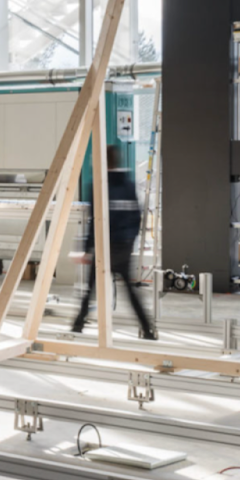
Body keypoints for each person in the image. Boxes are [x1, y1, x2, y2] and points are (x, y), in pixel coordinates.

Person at [73, 145, 156, 339]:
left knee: (91, 287)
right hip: (123, 245)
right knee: (129, 289)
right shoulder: (128, 184)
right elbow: (136, 217)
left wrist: (86, 249)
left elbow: (94, 220)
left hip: (106, 246)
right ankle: (147, 329)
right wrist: (129, 240)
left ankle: (77, 326)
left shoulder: (99, 185)